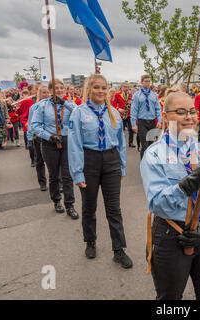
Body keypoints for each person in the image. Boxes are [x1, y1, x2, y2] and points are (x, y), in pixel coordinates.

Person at [140, 91, 200, 300]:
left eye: (192, 111)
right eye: (180, 112)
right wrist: (189, 184)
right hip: (171, 237)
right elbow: (158, 203)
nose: (189, 117)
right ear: (165, 116)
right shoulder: (153, 155)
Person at [68, 74, 132, 268]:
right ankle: (90, 241)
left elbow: (121, 143)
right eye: (96, 87)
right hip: (90, 161)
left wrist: (121, 166)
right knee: (89, 207)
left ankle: (119, 250)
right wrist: (77, 173)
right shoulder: (79, 113)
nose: (101, 91)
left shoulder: (113, 113)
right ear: (89, 89)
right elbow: (74, 145)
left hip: (111, 161)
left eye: (103, 88)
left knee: (114, 209)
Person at [30, 79, 79, 219]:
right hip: (49, 142)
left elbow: (78, 112)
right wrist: (49, 137)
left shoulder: (69, 104)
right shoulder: (42, 106)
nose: (59, 90)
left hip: (66, 141)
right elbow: (35, 125)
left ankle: (70, 205)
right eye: (55, 88)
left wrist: (64, 103)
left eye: (61, 88)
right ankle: (57, 200)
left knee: (67, 175)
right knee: (53, 175)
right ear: (50, 91)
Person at [131, 75, 162, 159]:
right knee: (144, 145)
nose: (148, 83)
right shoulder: (137, 95)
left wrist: (159, 120)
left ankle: (150, 163)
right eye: (146, 81)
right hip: (142, 122)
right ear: (141, 82)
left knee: (151, 144)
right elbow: (134, 110)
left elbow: (158, 109)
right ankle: (143, 165)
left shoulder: (154, 95)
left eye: (149, 81)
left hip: (152, 122)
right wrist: (133, 124)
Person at [27, 86, 50, 192]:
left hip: (50, 137)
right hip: (38, 137)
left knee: (53, 162)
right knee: (39, 160)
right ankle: (42, 182)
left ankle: (57, 182)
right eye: (44, 92)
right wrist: (30, 138)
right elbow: (31, 123)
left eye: (48, 92)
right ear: (39, 94)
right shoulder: (34, 107)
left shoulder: (53, 106)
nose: (46, 94)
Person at [112, 82, 136, 148]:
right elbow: (113, 105)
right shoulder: (117, 94)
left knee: (131, 129)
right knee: (120, 130)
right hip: (120, 115)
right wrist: (119, 109)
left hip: (129, 114)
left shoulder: (130, 95)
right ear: (121, 87)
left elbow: (134, 105)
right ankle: (119, 142)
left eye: (127, 87)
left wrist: (132, 103)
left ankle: (130, 143)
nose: (126, 88)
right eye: (124, 87)